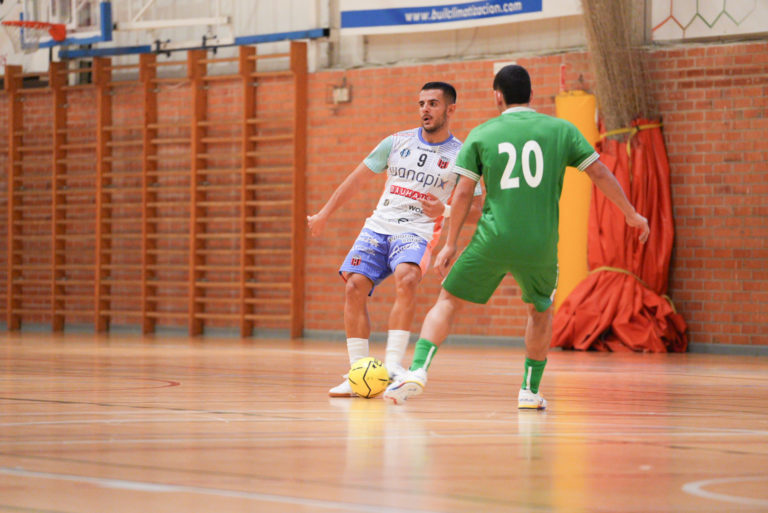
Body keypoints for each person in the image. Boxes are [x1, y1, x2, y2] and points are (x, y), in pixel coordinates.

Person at [383, 64, 650, 409]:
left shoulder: (481, 134)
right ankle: (529, 391)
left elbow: (463, 194)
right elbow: (599, 172)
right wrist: (631, 213)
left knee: (447, 302)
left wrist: (450, 243)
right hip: (539, 243)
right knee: (539, 310)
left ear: (497, 95)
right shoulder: (562, 130)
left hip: (493, 238)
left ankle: (417, 371)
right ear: (532, 96)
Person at [308, 81, 482, 397]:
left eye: (433, 104)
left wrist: (443, 209)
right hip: (379, 226)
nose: (425, 110)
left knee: (408, 277)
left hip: (417, 230)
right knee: (353, 285)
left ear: (450, 109)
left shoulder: (463, 155)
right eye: (421, 104)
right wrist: (324, 213)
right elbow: (356, 180)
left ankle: (393, 367)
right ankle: (357, 373)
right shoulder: (396, 142)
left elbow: (478, 209)